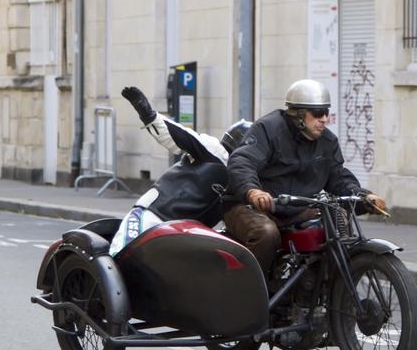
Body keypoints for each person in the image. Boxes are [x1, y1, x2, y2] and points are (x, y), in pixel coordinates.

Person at [224, 79, 386, 277]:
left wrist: (364, 197)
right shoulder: (269, 129)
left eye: (326, 112)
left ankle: (333, 286)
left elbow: (338, 178)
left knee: (336, 218)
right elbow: (242, 161)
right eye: (318, 113)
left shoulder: (327, 142)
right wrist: (253, 191)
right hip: (251, 207)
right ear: (299, 115)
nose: (324, 119)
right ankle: (249, 288)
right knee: (266, 233)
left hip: (296, 209)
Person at [109, 86, 251, 256]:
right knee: (120, 255)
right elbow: (179, 136)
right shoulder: (214, 152)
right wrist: (149, 115)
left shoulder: (246, 181)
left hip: (186, 235)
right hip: (154, 216)